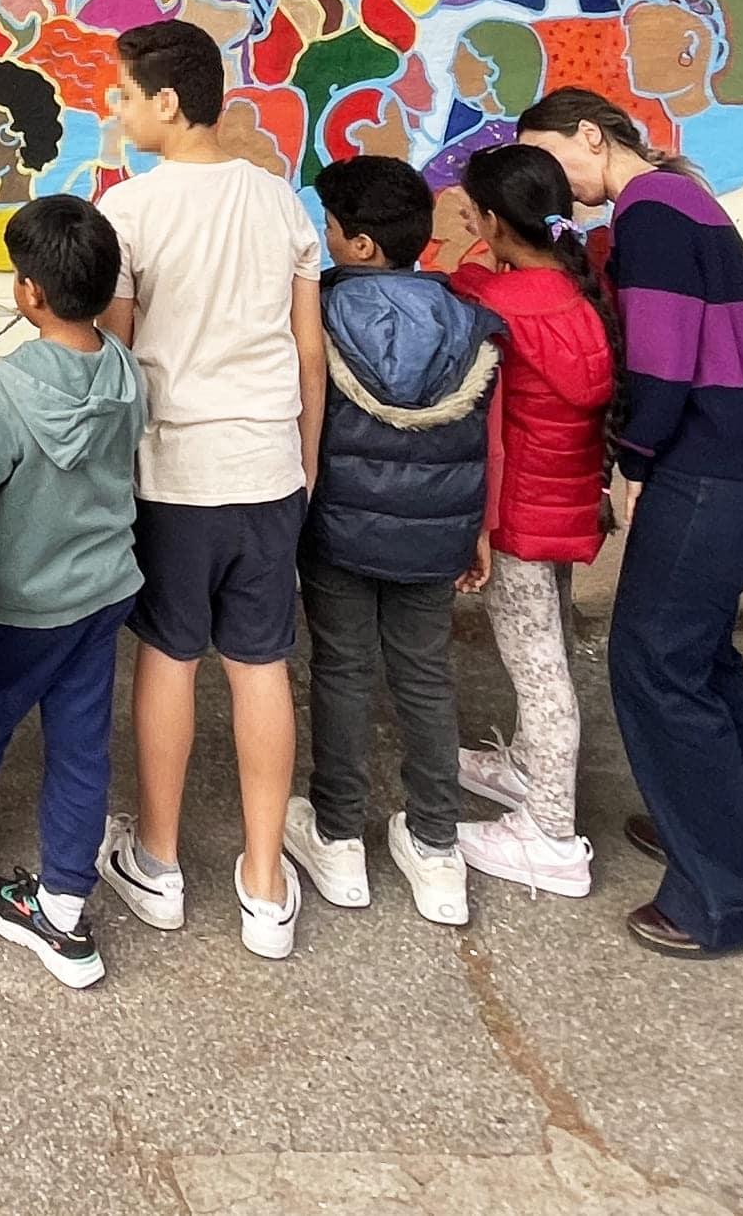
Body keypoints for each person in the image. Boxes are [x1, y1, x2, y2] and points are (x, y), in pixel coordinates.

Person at [516, 84, 743, 959]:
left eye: (555, 158)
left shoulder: (654, 215)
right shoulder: (682, 198)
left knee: (656, 669)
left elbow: (665, 363)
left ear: (593, 138)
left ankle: (721, 898)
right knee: (701, 668)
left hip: (709, 477)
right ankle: (725, 842)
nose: (556, 186)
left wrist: (633, 460)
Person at [92, 19, 326, 962]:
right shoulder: (282, 205)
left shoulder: (130, 212)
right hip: (268, 468)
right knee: (263, 663)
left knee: (170, 657)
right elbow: (308, 349)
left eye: (120, 94)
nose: (113, 110)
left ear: (167, 102)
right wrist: (304, 463)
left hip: (174, 476)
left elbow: (110, 354)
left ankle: (157, 861)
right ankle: (266, 887)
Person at [0, 195, 144, 990]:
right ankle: (61, 908)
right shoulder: (123, 368)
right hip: (105, 591)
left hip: (21, 601)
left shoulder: (11, 387)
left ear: (29, 293)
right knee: (82, 746)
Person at [286, 155, 500, 930]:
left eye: (332, 228)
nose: (325, 238)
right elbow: (488, 434)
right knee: (426, 677)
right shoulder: (469, 320)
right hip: (437, 532)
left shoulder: (322, 314)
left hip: (340, 527)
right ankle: (437, 848)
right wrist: (478, 527)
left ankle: (339, 839)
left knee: (341, 670)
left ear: (362, 245)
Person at [444, 142, 621, 898]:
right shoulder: (579, 298)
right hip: (566, 501)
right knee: (547, 646)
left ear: (490, 219)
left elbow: (467, 295)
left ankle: (550, 835)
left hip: (517, 514)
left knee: (538, 665)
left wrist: (477, 530)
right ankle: (523, 768)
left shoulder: (497, 307)